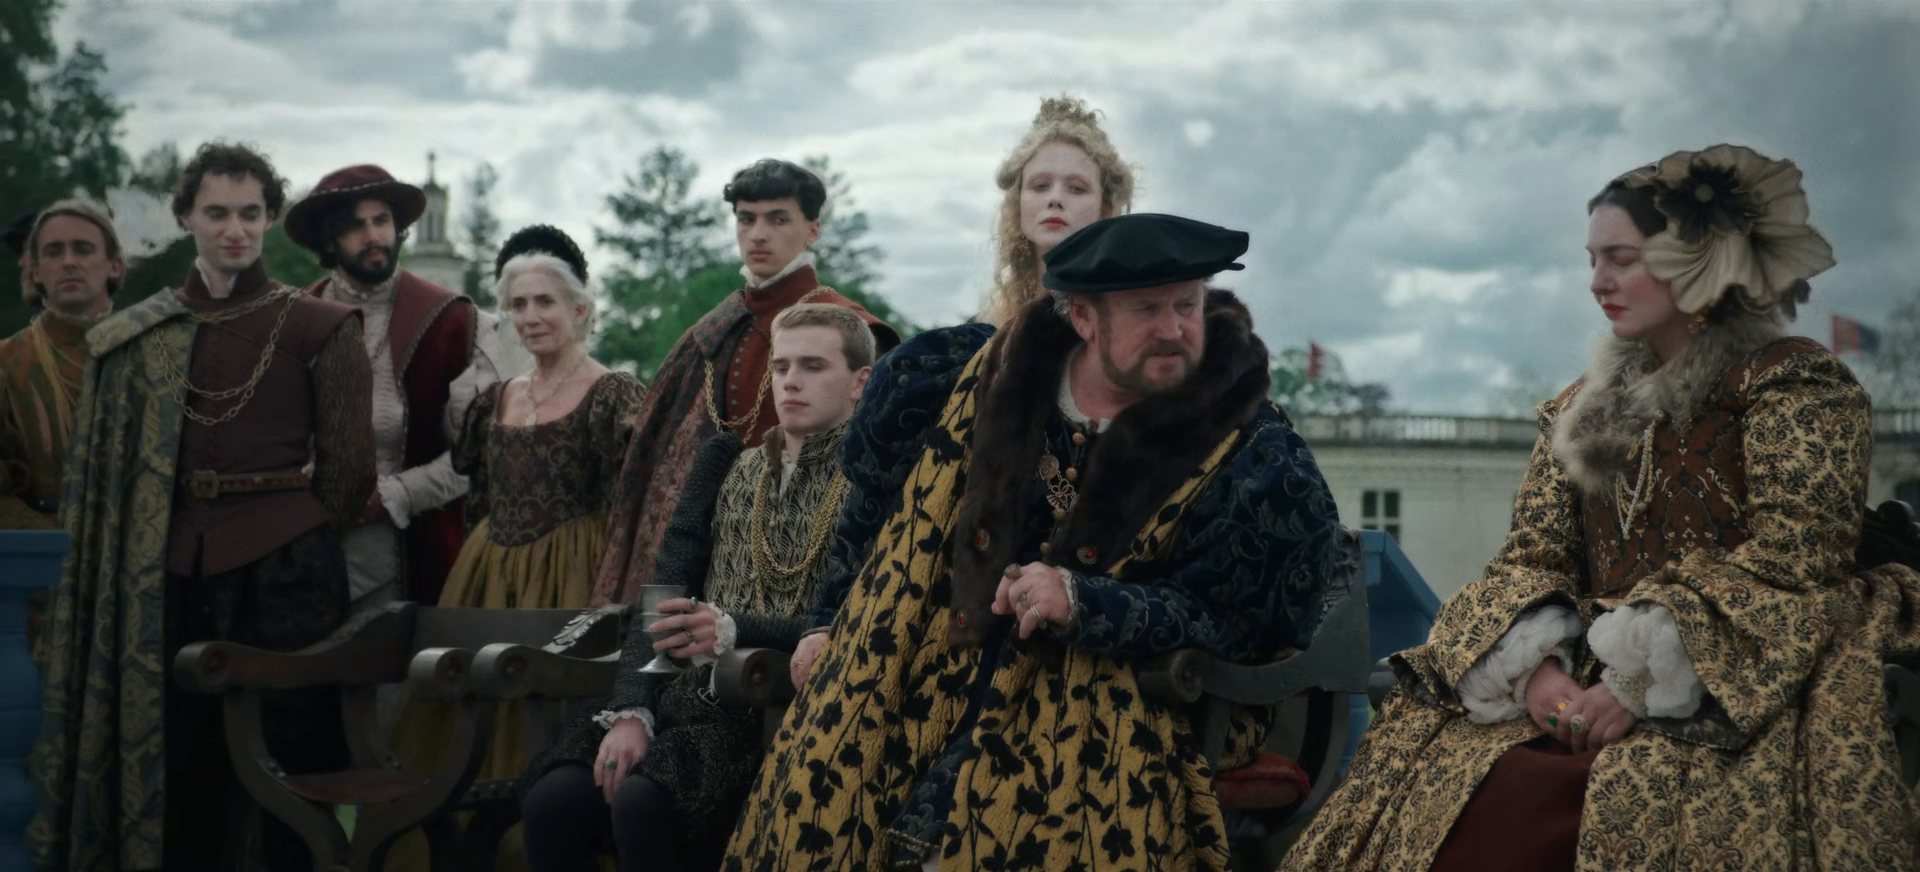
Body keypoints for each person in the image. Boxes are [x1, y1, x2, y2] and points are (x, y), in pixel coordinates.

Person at [1280, 144, 1920, 872]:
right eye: (1592, 260)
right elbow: (1532, 558)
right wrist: (1537, 674)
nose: (1598, 282)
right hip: (1584, 673)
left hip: (1750, 656)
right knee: (1466, 783)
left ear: (1697, 261)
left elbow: (1799, 555)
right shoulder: (1580, 410)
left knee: (1633, 799)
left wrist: (1642, 682)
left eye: (1621, 259)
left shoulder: (1793, 386)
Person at [725, 213, 1354, 871]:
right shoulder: (976, 381)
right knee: (831, 783)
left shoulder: (1251, 451)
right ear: (1083, 317)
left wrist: (1086, 602)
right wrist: (827, 622)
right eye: (1147, 310)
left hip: (1129, 693)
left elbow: (1237, 621)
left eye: (1187, 305)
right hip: (942, 660)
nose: (1174, 329)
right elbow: (873, 517)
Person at [29, 141, 376, 872]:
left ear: (270, 218)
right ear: (185, 217)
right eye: (217, 213)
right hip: (165, 572)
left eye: (250, 213)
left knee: (287, 774)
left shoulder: (320, 326)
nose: (234, 230)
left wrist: (289, 534)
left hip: (289, 575)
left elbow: (348, 477)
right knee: (181, 770)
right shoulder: (138, 335)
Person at [519, 303, 876, 872]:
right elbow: (663, 594)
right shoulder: (725, 464)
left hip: (766, 708)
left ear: (860, 382)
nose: (790, 381)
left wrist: (735, 629)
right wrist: (633, 711)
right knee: (554, 801)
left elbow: (851, 619)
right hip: (675, 696)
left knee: (644, 803)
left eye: (813, 366)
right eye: (781, 366)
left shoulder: (872, 481)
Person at [592, 158, 898, 607]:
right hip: (706, 548)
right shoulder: (712, 331)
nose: (758, 234)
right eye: (746, 219)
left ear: (812, 230)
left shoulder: (852, 331)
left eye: (778, 219)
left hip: (809, 560)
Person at [287, 163, 499, 613]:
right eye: (355, 226)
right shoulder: (294, 320)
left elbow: (478, 457)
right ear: (328, 240)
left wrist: (397, 494)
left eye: (381, 220)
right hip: (306, 554)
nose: (373, 236)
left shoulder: (454, 322)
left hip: (415, 555)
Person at [1, 199, 122, 530]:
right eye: (54, 252)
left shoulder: (154, 354)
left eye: (83, 249)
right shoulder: (7, 361)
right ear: (36, 271)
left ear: (115, 265)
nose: (69, 262)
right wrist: (52, 539)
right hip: (39, 551)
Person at [979, 95, 1135, 327]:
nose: (1055, 199)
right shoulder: (987, 333)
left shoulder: (1127, 325)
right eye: (1040, 186)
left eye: (1076, 188)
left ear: (1104, 208)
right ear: (1018, 203)